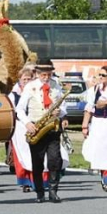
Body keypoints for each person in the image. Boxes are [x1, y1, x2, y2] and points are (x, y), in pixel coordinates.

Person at [16, 60, 68, 203]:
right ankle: (39, 192)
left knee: (54, 160)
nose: (46, 77)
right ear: (37, 74)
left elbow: (64, 106)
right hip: (36, 126)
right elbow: (19, 109)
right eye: (43, 74)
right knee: (37, 162)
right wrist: (27, 123)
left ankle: (53, 191)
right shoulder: (30, 87)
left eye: (49, 74)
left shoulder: (56, 86)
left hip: (52, 128)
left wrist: (61, 112)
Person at [82, 66, 107, 191]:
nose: (100, 77)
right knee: (101, 151)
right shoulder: (95, 89)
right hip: (98, 123)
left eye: (103, 75)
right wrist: (85, 126)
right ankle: (105, 177)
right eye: (99, 75)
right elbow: (89, 108)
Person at [8, 68, 40, 192]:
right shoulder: (14, 94)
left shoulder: (35, 91)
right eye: (24, 79)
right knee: (21, 154)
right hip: (20, 126)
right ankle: (24, 180)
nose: (26, 81)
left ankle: (35, 179)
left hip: (33, 124)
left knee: (34, 152)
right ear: (19, 80)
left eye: (29, 79)